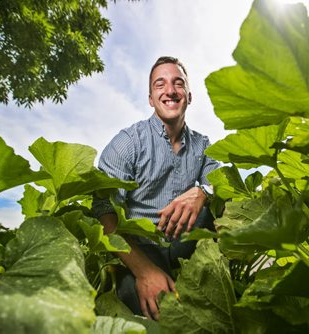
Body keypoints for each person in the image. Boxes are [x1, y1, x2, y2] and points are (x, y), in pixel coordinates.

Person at [92, 56, 219, 320]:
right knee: (138, 301)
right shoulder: (127, 143)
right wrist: (144, 271)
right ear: (151, 98)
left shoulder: (203, 145)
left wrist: (203, 192)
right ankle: (145, 280)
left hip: (186, 243)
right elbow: (103, 213)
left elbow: (222, 181)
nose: (170, 91)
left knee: (216, 209)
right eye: (160, 84)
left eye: (178, 83)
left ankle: (210, 286)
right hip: (142, 247)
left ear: (189, 96)